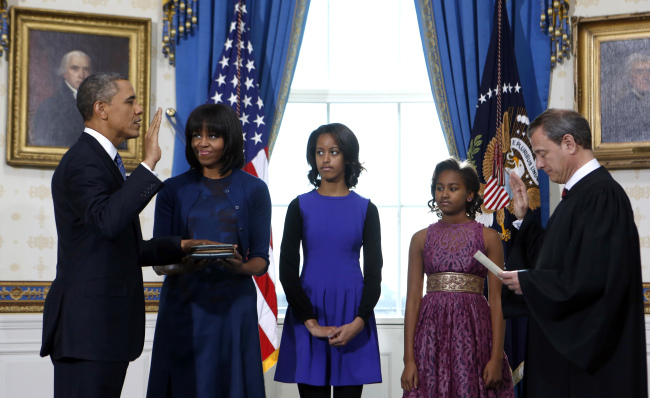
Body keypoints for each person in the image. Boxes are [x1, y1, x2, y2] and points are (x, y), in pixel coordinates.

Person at [40, 72, 212, 398]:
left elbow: (120, 246)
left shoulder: (104, 161)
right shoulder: (82, 161)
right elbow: (107, 222)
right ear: (101, 109)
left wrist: (180, 245)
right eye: (130, 101)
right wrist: (148, 164)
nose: (139, 110)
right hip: (88, 332)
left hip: (103, 332)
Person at [500, 108, 647, 397]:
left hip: (587, 369)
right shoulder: (579, 195)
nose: (539, 164)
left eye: (542, 153)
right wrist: (523, 218)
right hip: (566, 362)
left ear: (569, 143)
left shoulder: (601, 195)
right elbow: (554, 259)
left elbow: (592, 278)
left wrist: (529, 282)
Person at [146, 103, 271, 398]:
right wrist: (184, 266)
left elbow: (260, 261)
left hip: (233, 307)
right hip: (184, 304)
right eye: (196, 136)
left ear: (229, 138)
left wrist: (239, 267)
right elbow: (158, 261)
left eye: (212, 135)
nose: (202, 143)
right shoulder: (171, 190)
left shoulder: (254, 189)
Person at [274, 123, 382, 398]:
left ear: (347, 157)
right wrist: (311, 322)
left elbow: (374, 274)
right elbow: (287, 270)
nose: (325, 158)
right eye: (319, 152)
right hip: (308, 310)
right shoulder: (298, 206)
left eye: (333, 152)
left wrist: (358, 322)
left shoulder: (367, 209)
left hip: (353, 313)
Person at [401, 158, 514, 398]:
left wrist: (495, 358)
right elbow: (412, 301)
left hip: (474, 334)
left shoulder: (489, 238)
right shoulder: (420, 239)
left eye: (453, 188)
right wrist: (408, 358)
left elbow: (497, 300)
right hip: (431, 335)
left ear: (470, 194)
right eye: (439, 188)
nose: (444, 194)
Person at [31, 50, 92, 147]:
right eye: (75, 68)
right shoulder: (49, 106)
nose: (82, 75)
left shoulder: (98, 103)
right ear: (64, 72)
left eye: (86, 69)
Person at [601, 52, 650, 143]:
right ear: (630, 78)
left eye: (648, 71)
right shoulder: (618, 110)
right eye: (639, 72)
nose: (646, 76)